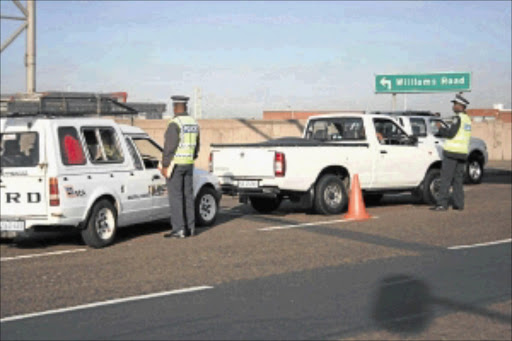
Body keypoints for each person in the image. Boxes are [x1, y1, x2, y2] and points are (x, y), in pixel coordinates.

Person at [161, 95, 200, 238]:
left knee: (176, 197)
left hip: (176, 166)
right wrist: (191, 157)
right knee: (188, 196)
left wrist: (165, 165)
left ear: (175, 107)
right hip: (189, 164)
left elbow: (169, 147)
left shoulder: (175, 123)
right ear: (186, 107)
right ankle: (191, 228)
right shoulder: (193, 123)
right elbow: (196, 147)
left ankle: (179, 229)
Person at [431, 93, 472, 211]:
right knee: (458, 180)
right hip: (462, 153)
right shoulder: (467, 119)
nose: (453, 106)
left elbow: (450, 134)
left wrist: (439, 127)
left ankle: (442, 204)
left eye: (455, 104)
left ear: (460, 105)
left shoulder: (457, 118)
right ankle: (459, 204)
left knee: (446, 179)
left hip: (452, 153)